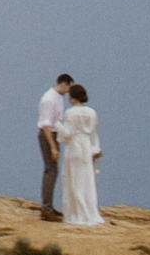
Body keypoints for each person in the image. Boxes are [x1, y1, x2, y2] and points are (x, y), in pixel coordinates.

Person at [55, 83, 104, 227]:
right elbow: (94, 133)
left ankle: (77, 214)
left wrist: (57, 125)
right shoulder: (92, 112)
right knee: (86, 181)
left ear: (72, 97)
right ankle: (89, 212)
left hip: (74, 148)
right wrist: (95, 150)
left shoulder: (71, 113)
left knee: (74, 181)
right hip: (87, 146)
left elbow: (68, 133)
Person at [35, 73, 73, 222]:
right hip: (48, 136)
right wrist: (53, 147)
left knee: (53, 170)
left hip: (54, 135)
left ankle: (49, 206)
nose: (68, 91)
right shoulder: (49, 99)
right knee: (50, 170)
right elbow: (46, 124)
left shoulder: (57, 97)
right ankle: (46, 208)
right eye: (68, 88)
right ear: (64, 84)